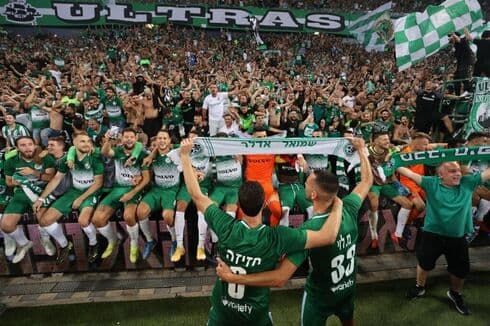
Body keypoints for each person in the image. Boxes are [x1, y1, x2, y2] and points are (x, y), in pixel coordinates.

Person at [179, 137, 345, 326]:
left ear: (239, 204)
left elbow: (196, 194)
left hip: (222, 313)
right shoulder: (277, 236)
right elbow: (328, 236)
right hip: (256, 315)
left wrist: (185, 156)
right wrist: (337, 202)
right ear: (265, 204)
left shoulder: (224, 225)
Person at [216, 136, 372, 326]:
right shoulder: (349, 207)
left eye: (307, 183)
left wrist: (233, 278)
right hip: (347, 288)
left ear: (313, 194)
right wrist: (362, 150)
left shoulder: (311, 229)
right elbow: (366, 181)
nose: (304, 183)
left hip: (320, 296)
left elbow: (280, 277)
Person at [399, 161, 490, 315]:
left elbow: (488, 173)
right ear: (440, 175)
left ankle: (455, 294)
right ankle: (419, 287)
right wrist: (394, 162)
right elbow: (408, 173)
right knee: (424, 263)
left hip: (457, 237)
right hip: (432, 235)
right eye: (452, 171)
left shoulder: (468, 182)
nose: (458, 174)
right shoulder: (431, 183)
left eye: (458, 170)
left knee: (461, 270)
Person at [33, 133, 104, 264]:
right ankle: (65, 245)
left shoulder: (95, 158)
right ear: (74, 144)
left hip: (90, 192)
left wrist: (81, 198)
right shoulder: (68, 159)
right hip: (74, 191)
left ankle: (93, 244)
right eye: (82, 141)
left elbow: (98, 183)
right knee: (45, 221)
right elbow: (56, 179)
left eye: (89, 141)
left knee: (83, 220)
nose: (87, 144)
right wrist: (41, 199)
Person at [92, 128, 150, 264]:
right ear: (121, 138)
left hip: (133, 188)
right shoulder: (118, 150)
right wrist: (107, 140)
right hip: (117, 188)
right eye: (126, 137)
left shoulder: (142, 153)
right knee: (97, 219)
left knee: (128, 216)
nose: (128, 139)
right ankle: (112, 240)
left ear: (136, 138)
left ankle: (134, 244)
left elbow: (146, 178)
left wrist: (131, 193)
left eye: (131, 137)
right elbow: (105, 152)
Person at [0, 136, 56, 263]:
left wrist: (33, 173)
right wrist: (18, 182)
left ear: (35, 145)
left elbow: (51, 178)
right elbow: (9, 182)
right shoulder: (11, 161)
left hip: (41, 192)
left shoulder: (45, 158)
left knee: (44, 219)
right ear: (17, 148)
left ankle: (45, 238)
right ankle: (24, 243)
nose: (27, 148)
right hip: (21, 193)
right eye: (23, 145)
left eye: (30, 144)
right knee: (6, 225)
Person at [136, 130, 180, 260]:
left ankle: (174, 241)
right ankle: (150, 241)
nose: (161, 141)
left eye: (164, 138)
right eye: (159, 138)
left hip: (171, 190)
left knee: (167, 216)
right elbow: (141, 149)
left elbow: (185, 146)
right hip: (156, 190)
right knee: (140, 212)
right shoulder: (151, 156)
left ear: (169, 141)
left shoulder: (176, 152)